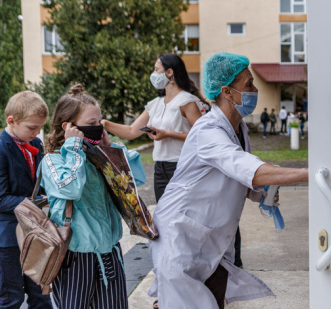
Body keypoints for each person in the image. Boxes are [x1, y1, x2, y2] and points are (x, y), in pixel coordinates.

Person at [148, 52, 309, 309]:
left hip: (210, 242)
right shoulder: (208, 131)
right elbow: (246, 168)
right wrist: (309, 173)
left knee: (213, 300)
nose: (255, 90)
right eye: (248, 85)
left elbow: (235, 178)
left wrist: (260, 190)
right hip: (181, 238)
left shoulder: (238, 128)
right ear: (227, 91)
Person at [41, 84, 146, 308]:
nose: (98, 128)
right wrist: (73, 148)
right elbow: (72, 189)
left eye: (99, 122)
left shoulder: (100, 156)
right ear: (68, 127)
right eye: (91, 124)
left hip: (109, 252)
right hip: (76, 258)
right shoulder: (54, 161)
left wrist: (111, 152)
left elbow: (134, 182)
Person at [103, 53, 204, 203]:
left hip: (182, 167)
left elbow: (202, 135)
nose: (153, 74)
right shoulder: (156, 103)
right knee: (163, 218)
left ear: (169, 72)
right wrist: (104, 124)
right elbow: (131, 131)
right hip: (160, 170)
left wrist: (168, 134)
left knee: (182, 217)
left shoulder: (187, 101)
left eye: (157, 70)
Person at [0, 91, 52, 309]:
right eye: (32, 128)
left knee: (41, 295)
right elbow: (1, 199)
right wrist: (38, 202)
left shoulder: (36, 144)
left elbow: (40, 182)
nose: (38, 132)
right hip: (8, 239)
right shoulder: (1, 148)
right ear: (11, 121)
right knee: (11, 298)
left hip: (36, 233)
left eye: (40, 127)